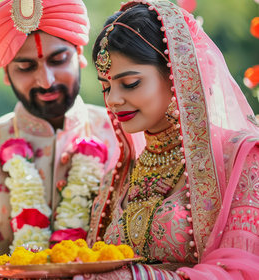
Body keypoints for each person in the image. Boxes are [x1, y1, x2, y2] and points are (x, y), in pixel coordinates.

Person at [74, 0, 259, 279]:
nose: (112, 99)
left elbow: (243, 268)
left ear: (177, 74)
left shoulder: (241, 159)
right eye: (106, 86)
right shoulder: (118, 178)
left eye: (130, 83)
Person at [0, 1, 119, 279]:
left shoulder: (124, 136)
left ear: (80, 54)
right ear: (6, 74)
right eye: (25, 66)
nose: (46, 81)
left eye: (58, 60)